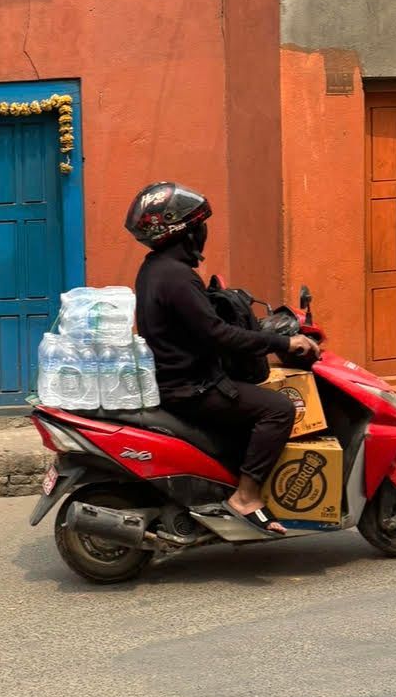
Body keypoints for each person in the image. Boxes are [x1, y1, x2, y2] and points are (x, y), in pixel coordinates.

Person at [126, 182, 320, 535]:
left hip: (181, 379)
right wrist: (284, 342)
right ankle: (246, 497)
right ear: (186, 233)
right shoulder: (178, 277)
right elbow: (217, 334)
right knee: (279, 410)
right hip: (191, 388)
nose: (204, 234)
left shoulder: (155, 268)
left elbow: (203, 326)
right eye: (200, 227)